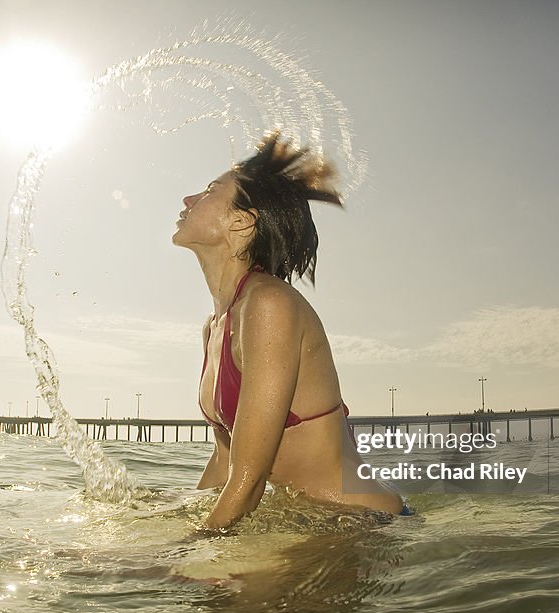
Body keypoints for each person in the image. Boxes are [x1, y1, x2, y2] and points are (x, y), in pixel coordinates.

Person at [172, 132, 405, 531]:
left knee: (196, 584)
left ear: (242, 222)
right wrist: (173, 518)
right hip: (301, 521)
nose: (188, 200)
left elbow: (248, 484)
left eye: (209, 192)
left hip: (355, 522)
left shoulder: (268, 306)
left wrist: (185, 551)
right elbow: (224, 465)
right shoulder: (215, 326)